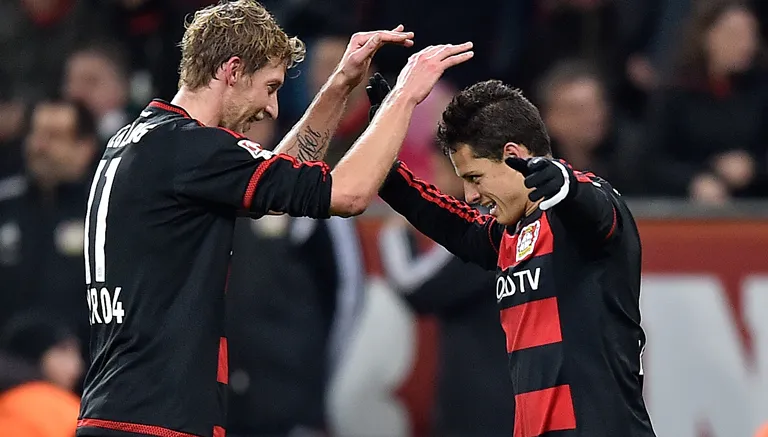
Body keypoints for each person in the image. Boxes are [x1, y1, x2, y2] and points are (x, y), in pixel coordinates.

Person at [76, 1, 474, 437]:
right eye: (269, 86)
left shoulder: (143, 140)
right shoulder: (194, 151)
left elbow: (277, 190)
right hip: (157, 420)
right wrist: (404, 97)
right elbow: (350, 193)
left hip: (115, 408)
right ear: (232, 70)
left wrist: (340, 85)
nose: (271, 108)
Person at [371, 78, 655, 437]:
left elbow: (595, 210)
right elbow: (443, 218)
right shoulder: (507, 235)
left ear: (514, 156)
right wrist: (381, 143)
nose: (470, 195)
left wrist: (565, 185)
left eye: (475, 177)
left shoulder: (585, 212)